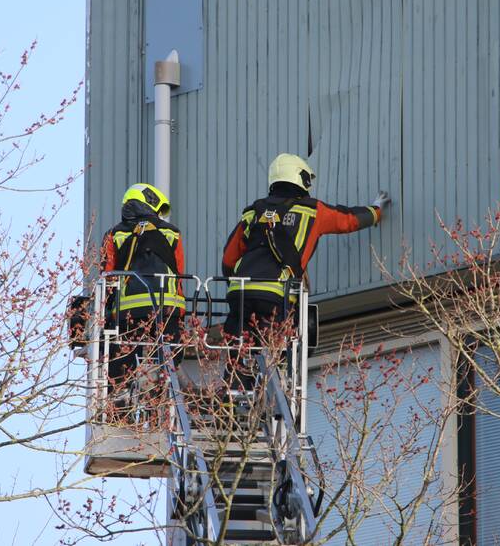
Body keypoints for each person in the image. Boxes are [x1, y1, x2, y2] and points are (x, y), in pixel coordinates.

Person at [220, 153, 390, 387]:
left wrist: (237, 283)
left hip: (240, 291)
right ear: (300, 179)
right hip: (277, 295)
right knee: (278, 356)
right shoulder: (312, 210)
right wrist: (376, 210)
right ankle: (274, 396)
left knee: (239, 351)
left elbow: (229, 258)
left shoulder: (253, 212)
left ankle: (234, 394)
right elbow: (349, 219)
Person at [100, 183, 186, 391]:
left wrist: (106, 315)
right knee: (169, 363)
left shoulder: (114, 235)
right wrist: (180, 312)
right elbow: (179, 273)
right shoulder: (172, 233)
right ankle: (159, 405)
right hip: (167, 308)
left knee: (121, 366)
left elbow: (107, 276)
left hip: (128, 312)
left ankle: (120, 408)